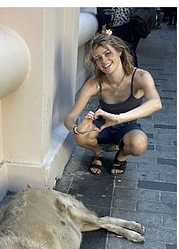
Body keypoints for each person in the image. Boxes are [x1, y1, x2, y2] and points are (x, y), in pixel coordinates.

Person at [64, 33, 162, 175]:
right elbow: (69, 118)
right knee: (80, 137)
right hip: (102, 126)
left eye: (107, 53)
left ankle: (121, 156)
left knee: (139, 144)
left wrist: (118, 118)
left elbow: (156, 103)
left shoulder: (140, 76)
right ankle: (98, 154)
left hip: (127, 126)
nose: (104, 61)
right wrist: (78, 129)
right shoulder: (94, 83)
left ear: (119, 51)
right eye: (98, 58)